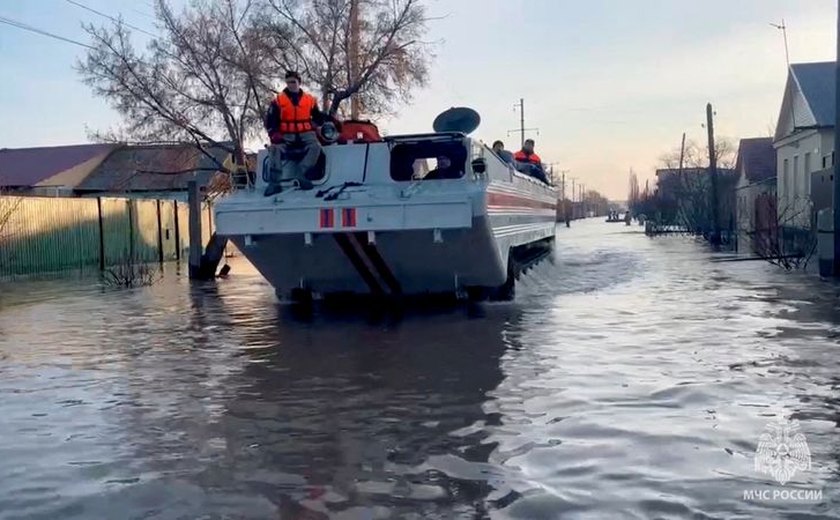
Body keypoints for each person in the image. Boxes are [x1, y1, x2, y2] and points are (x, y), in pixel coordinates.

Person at [263, 70, 330, 196]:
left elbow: (317, 116)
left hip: (306, 135)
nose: (291, 85)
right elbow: (271, 121)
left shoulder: (310, 100)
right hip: (286, 136)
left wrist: (325, 121)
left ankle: (302, 174)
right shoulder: (278, 101)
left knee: (316, 147)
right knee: (274, 150)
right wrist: (274, 134)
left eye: (293, 82)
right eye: (288, 82)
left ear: (299, 82)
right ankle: (274, 183)